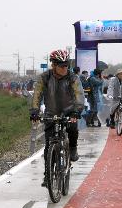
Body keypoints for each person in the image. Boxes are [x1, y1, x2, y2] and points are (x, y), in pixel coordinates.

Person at [30, 49, 84, 186]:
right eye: (61, 65)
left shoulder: (73, 78)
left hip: (69, 112)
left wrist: (76, 111)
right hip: (51, 113)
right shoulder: (45, 77)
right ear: (53, 65)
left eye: (67, 65)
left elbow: (79, 94)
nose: (65, 68)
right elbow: (37, 94)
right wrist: (34, 111)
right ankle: (48, 175)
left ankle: (72, 148)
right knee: (49, 145)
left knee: (72, 129)